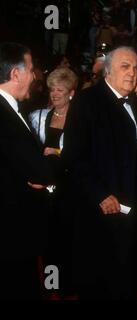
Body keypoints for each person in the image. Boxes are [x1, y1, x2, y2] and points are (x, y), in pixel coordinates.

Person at [62, 46, 137, 299]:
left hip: (133, 210)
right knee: (102, 284)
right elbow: (74, 156)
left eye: (136, 68)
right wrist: (100, 194)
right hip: (102, 210)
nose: (132, 73)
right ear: (107, 71)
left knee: (128, 281)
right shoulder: (87, 101)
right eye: (125, 66)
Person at [0, 42, 55, 299]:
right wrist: (54, 163)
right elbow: (38, 173)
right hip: (13, 232)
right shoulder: (5, 114)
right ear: (15, 74)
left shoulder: (12, 110)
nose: (34, 76)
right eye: (31, 70)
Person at [29, 67, 78, 296]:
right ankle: (52, 286)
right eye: (51, 89)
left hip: (71, 189)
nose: (55, 94)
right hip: (45, 191)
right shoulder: (39, 117)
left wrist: (58, 154)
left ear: (71, 93)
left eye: (60, 89)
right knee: (48, 242)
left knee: (70, 240)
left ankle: (70, 286)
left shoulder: (80, 121)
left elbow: (82, 156)